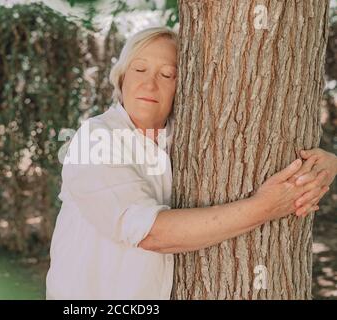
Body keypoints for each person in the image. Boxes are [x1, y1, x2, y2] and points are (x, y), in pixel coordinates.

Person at [45, 26, 337, 300]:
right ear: (122, 77)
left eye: (167, 74)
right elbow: (150, 233)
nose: (150, 83)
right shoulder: (95, 139)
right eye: (140, 69)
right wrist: (265, 207)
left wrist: (326, 163)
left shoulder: (185, 139)